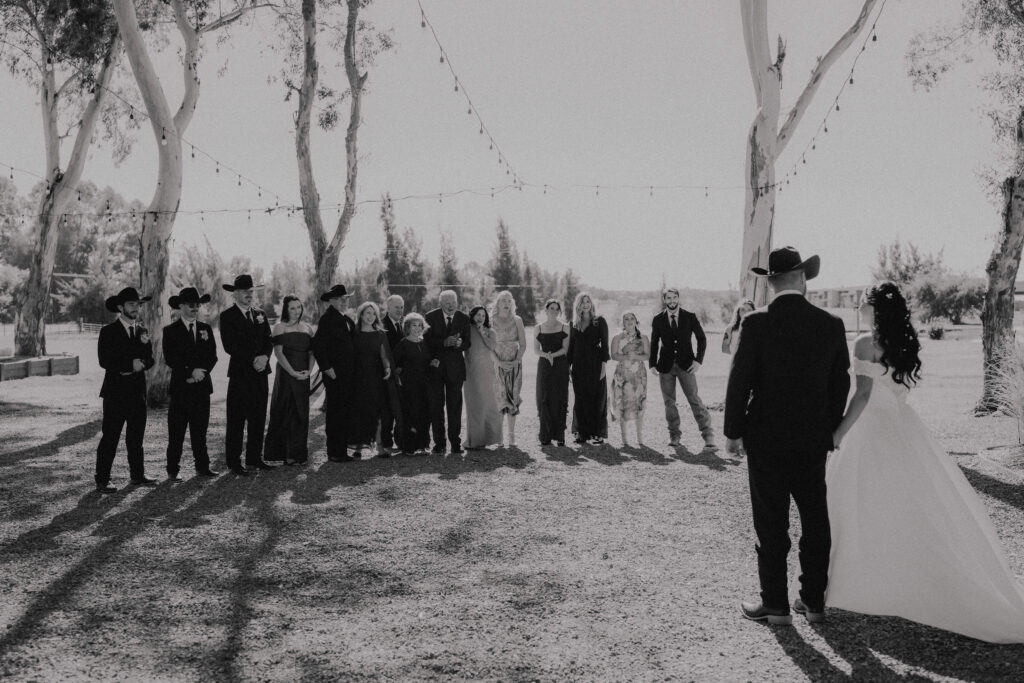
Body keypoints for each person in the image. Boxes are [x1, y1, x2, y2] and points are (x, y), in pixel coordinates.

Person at [826, 282, 1024, 642]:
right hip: (903, 428)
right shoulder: (906, 344)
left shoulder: (864, 343)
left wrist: (838, 433)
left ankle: (855, 579)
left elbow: (864, 394)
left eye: (863, 304)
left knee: (855, 502)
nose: (858, 307)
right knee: (909, 505)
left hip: (869, 430)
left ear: (875, 309)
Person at [724, 246, 850, 625]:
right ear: (801, 279)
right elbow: (839, 385)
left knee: (770, 521)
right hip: (813, 440)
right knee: (815, 520)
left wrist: (733, 432)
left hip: (766, 440)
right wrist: (828, 429)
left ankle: (776, 605)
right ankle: (813, 603)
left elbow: (739, 382)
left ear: (772, 283)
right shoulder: (831, 324)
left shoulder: (756, 323)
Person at [94, 287, 156, 492]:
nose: (136, 308)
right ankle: (102, 479)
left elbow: (150, 358)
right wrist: (130, 365)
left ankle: (137, 475)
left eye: (138, 304)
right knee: (110, 436)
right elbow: (105, 360)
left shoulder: (142, 331)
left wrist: (143, 364)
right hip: (115, 393)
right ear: (120, 307)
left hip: (137, 392)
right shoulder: (108, 332)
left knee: (136, 437)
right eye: (131, 304)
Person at [219, 274, 276, 475]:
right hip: (241, 373)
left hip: (261, 373)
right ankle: (234, 461)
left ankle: (254, 458)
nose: (249, 295)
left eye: (251, 292)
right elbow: (230, 346)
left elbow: (269, 340)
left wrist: (265, 358)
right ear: (235, 294)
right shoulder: (227, 316)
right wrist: (254, 358)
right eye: (245, 292)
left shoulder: (260, 314)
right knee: (237, 418)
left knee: (258, 416)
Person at [162, 287, 219, 481]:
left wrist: (201, 373)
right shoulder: (170, 331)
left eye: (197, 305)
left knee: (200, 431)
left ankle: (202, 467)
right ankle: (172, 469)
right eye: (191, 305)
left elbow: (212, 356)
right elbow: (171, 358)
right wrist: (189, 371)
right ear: (181, 306)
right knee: (176, 431)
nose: (195, 308)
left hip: (202, 387)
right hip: (181, 388)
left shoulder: (206, 329)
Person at [649, 287, 716, 450]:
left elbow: (702, 339)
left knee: (694, 399)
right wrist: (652, 363)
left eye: (674, 298)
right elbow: (654, 342)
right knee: (669, 403)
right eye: (668, 298)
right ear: (664, 300)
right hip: (665, 366)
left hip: (686, 365)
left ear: (678, 298)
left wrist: (698, 361)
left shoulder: (689, 317)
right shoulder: (658, 319)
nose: (672, 301)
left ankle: (708, 436)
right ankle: (674, 435)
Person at [263, 295, 314, 465]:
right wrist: (292, 372)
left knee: (301, 413)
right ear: (286, 309)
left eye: (298, 307)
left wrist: (309, 371)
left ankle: (297, 453)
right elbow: (278, 353)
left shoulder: (307, 328)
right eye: (292, 308)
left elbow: (312, 353)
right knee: (284, 410)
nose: (296, 311)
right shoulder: (280, 327)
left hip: (303, 375)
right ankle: (282, 453)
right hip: (286, 374)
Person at [312, 284, 357, 463]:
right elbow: (318, 345)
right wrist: (326, 367)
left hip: (348, 373)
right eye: (339, 299)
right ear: (331, 301)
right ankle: (334, 451)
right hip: (335, 374)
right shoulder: (327, 319)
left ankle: (341, 449)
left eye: (345, 299)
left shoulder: (346, 319)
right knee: (335, 412)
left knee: (344, 411)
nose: (343, 302)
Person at [424, 290, 471, 454]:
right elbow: (426, 341)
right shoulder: (430, 317)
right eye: (447, 303)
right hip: (435, 370)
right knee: (436, 407)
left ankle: (455, 443)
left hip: (456, 370)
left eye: (453, 302)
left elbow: (468, 343)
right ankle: (439, 443)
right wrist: (443, 342)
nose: (451, 305)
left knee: (455, 408)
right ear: (441, 303)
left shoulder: (464, 318)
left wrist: (460, 343)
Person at [350, 301, 392, 458]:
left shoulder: (380, 333)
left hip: (376, 377)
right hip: (358, 377)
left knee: (378, 412)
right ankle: (359, 448)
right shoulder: (354, 332)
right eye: (368, 312)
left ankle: (380, 447)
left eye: (374, 313)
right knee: (359, 411)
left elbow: (384, 355)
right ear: (361, 314)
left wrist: (387, 368)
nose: (371, 316)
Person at [568, 292, 609, 445]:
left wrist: (603, 368)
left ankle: (597, 434)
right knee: (580, 400)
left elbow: (605, 347)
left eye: (588, 301)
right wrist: (568, 367)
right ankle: (581, 433)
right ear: (578, 305)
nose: (586, 304)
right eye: (582, 302)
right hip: (578, 366)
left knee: (596, 399)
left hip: (595, 365)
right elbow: (571, 348)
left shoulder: (600, 321)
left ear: (591, 304)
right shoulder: (573, 324)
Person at [491, 291, 527, 447]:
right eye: (503, 301)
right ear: (497, 303)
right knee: (499, 399)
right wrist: (498, 362)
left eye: (508, 301)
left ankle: (511, 436)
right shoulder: (491, 320)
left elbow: (523, 344)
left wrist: (516, 360)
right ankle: (499, 436)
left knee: (512, 399)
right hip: (497, 365)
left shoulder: (517, 320)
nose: (506, 303)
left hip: (514, 364)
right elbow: (488, 346)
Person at [463, 305, 502, 449]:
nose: (480, 318)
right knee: (474, 405)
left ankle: (492, 437)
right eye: (478, 315)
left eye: (483, 315)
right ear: (472, 316)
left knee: (489, 403)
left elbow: (492, 347)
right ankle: (475, 440)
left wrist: (482, 332)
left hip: (486, 371)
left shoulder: (491, 331)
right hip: (471, 371)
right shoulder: (466, 329)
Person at [393, 313, 432, 455]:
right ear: (407, 327)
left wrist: (432, 362)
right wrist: (399, 371)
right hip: (408, 386)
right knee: (409, 415)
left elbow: (426, 361)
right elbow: (394, 364)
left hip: (424, 385)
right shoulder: (403, 343)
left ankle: (422, 445)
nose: (417, 328)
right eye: (414, 325)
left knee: (424, 415)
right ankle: (408, 446)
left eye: (420, 325)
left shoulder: (424, 342)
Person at [610, 311, 650, 447]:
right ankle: (625, 439)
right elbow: (613, 355)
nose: (629, 321)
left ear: (636, 321)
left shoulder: (643, 337)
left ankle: (640, 438)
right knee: (622, 404)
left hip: (639, 375)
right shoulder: (617, 338)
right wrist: (627, 357)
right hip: (622, 375)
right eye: (626, 319)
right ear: (623, 323)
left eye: (632, 318)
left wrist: (635, 357)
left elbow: (647, 356)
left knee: (639, 403)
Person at [534, 298, 570, 446]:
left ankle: (560, 435)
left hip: (560, 365)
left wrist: (552, 356)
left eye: (557, 309)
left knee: (560, 398)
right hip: (544, 365)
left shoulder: (565, 327)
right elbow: (536, 350)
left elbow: (565, 349)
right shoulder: (539, 328)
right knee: (544, 397)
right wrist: (546, 356)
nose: (554, 311)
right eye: (551, 308)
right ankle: (545, 435)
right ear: (546, 310)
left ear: (559, 311)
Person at [379, 294, 405, 454]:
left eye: (402, 307)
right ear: (388, 308)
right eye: (396, 307)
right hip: (386, 373)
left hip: (400, 374)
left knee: (398, 408)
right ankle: (385, 444)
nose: (400, 310)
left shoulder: (401, 325)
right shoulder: (382, 325)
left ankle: (398, 441)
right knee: (387, 410)